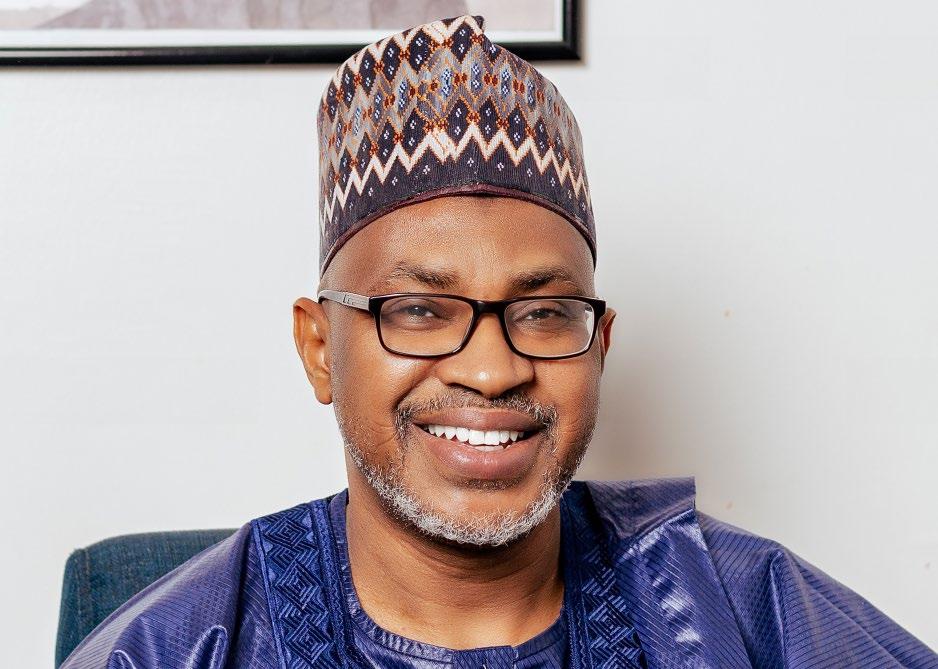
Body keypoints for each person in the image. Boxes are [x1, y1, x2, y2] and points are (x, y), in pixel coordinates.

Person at [60, 14, 937, 669]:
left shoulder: (738, 606)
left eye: (546, 312)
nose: (491, 369)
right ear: (320, 347)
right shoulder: (178, 645)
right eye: (419, 309)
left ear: (600, 346)